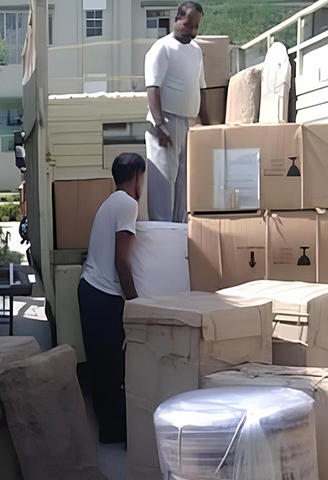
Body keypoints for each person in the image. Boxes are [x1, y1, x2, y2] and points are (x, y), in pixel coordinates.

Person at [78, 152, 145, 443]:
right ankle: (117, 432)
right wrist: (136, 302)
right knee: (113, 367)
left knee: (101, 365)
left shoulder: (110, 202)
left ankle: (108, 430)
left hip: (90, 289)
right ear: (137, 177)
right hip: (103, 295)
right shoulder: (128, 204)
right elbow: (122, 260)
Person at [144, 1, 208, 223]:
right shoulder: (162, 48)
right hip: (165, 122)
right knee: (162, 179)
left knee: (184, 180)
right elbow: (153, 87)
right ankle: (162, 228)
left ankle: (181, 228)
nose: (193, 32)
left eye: (196, 27)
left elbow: (201, 89)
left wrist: (207, 125)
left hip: (188, 122)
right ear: (177, 19)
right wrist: (159, 124)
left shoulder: (196, 51)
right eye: (189, 25)